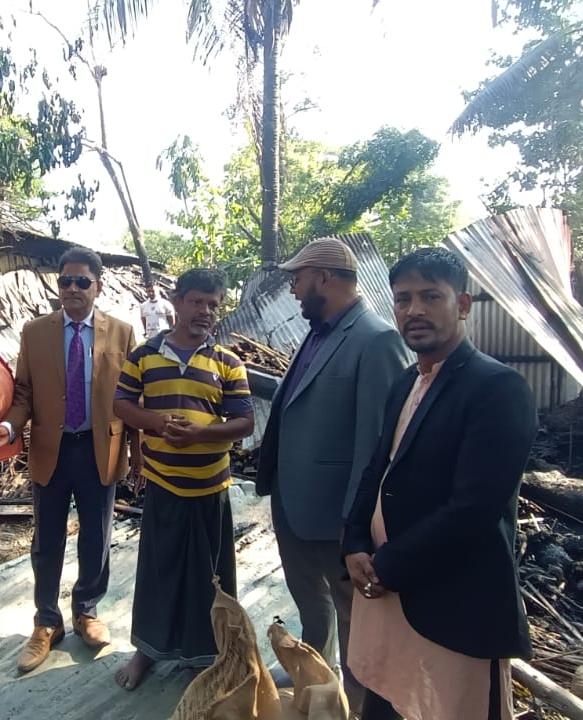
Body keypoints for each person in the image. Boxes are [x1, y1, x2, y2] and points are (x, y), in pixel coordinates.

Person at [342, 248, 537, 720]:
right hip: (386, 594)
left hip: (453, 601)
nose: (414, 310)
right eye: (403, 298)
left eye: (431, 296)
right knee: (386, 700)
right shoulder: (405, 382)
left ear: (463, 304)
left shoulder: (496, 388)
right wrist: (354, 542)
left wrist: (390, 565)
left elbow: (475, 507)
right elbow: (378, 469)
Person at [254, 237, 408, 707]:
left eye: (297, 279)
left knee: (353, 615)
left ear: (323, 277)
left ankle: (359, 702)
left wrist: (355, 524)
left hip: (336, 516)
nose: (293, 289)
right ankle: (314, 672)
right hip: (295, 503)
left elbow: (378, 445)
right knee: (310, 601)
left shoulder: (375, 339)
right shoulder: (319, 331)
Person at [0, 247, 138, 674]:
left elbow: (132, 396)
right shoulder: (35, 333)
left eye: (81, 281)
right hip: (51, 449)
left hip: (100, 449)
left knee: (96, 537)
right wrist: (10, 427)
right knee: (47, 540)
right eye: (65, 281)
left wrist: (139, 453)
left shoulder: (122, 333)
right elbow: (24, 393)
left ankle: (86, 610)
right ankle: (46, 621)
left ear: (97, 287)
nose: (72, 288)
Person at [111, 268, 256, 691]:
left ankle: (207, 656)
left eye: (213, 305)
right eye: (197, 302)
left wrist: (201, 434)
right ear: (176, 302)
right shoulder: (144, 356)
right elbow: (121, 404)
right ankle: (148, 651)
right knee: (158, 572)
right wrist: (155, 422)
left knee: (210, 579)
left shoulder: (227, 362)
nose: (205, 311)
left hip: (210, 488)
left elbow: (245, 422)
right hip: (165, 486)